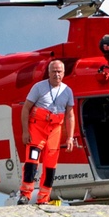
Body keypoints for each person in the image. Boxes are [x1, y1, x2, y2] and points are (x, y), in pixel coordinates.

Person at [16, 59, 75, 206]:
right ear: (48, 72)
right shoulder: (39, 87)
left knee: (50, 167)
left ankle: (43, 198)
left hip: (55, 130)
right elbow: (25, 109)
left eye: (59, 71)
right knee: (32, 162)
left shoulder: (67, 91)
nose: (56, 74)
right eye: (54, 71)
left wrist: (70, 138)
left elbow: (70, 115)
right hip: (37, 129)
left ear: (63, 73)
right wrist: (25, 132)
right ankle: (25, 195)